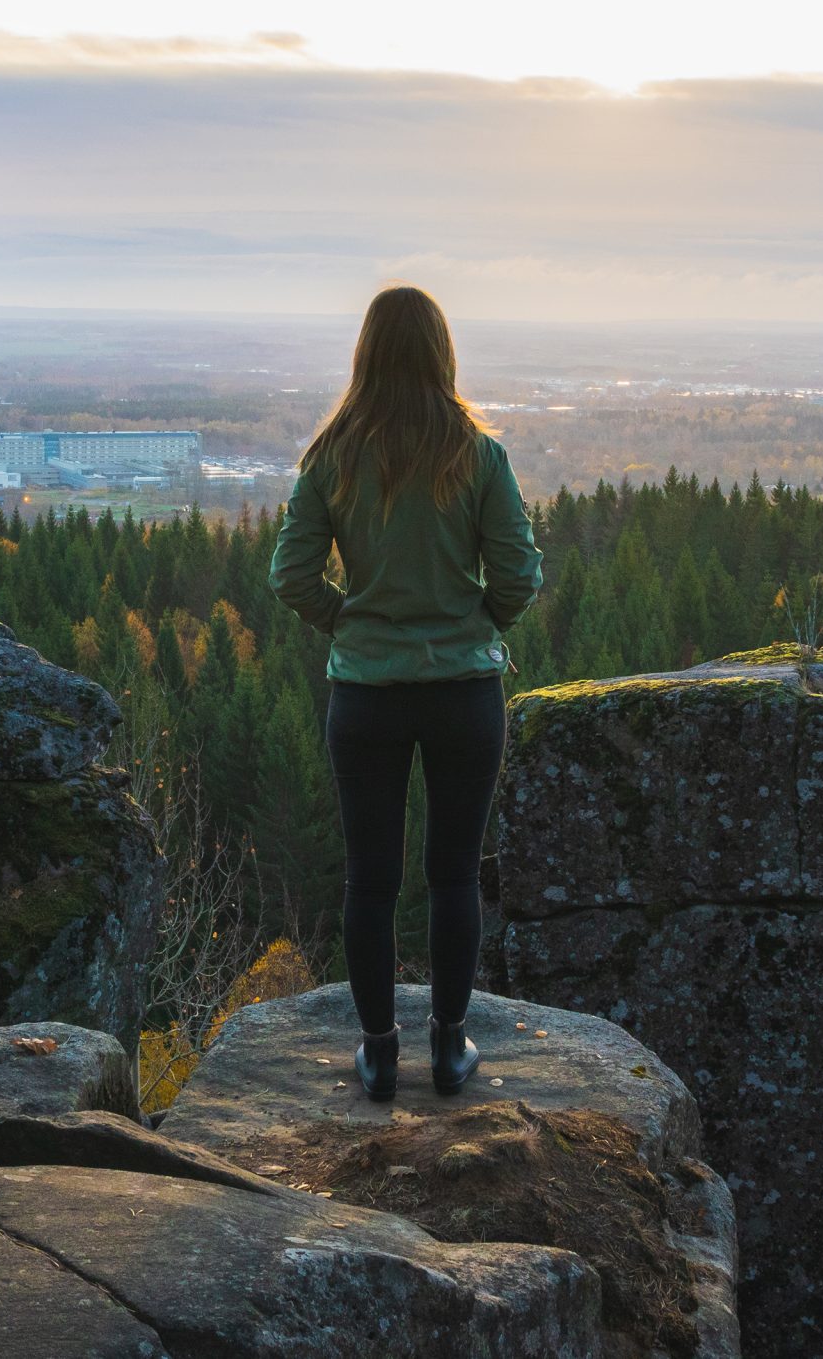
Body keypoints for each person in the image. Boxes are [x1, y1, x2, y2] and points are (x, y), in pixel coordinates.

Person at [270, 285, 543, 1102]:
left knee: (370, 879)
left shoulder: (333, 453)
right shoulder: (478, 453)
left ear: (365, 352)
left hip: (367, 697)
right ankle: (450, 1048)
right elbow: (521, 576)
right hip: (465, 694)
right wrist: (475, 624)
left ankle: (380, 1052)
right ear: (441, 350)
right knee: (455, 875)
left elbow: (289, 576)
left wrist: (348, 621)